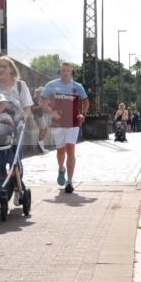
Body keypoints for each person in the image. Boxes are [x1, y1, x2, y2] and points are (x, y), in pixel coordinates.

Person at [0, 56, 34, 200]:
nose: (1, 69)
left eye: (4, 66)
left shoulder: (20, 85)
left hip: (16, 128)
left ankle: (17, 187)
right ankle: (1, 190)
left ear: (11, 68)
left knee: (14, 160)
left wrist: (22, 118)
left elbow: (27, 106)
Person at [40, 62, 89, 194]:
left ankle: (69, 181)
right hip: (57, 123)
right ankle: (61, 168)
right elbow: (42, 101)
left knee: (70, 149)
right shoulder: (51, 85)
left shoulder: (77, 87)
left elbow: (85, 101)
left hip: (73, 122)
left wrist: (82, 114)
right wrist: (51, 112)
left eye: (68, 71)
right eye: (63, 71)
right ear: (59, 71)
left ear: (71, 72)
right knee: (60, 152)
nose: (65, 73)